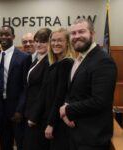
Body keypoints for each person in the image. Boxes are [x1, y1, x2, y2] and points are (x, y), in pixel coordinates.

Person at [59, 19, 117, 150]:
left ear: (92, 34)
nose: (76, 36)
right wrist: (66, 110)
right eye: (73, 33)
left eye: (81, 31)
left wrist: (67, 110)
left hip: (92, 139)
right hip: (76, 134)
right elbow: (73, 91)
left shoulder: (103, 60)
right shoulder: (80, 58)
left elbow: (100, 101)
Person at [36, 28, 75, 150]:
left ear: (67, 43)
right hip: (51, 116)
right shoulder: (55, 63)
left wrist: (51, 124)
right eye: (53, 40)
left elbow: (59, 97)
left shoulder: (66, 63)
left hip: (58, 122)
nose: (55, 43)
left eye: (60, 40)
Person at [0, 25, 31, 150]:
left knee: (21, 143)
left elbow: (26, 86)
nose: (4, 37)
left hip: (16, 110)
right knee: (5, 143)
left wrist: (20, 110)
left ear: (13, 37)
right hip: (0, 109)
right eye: (1, 34)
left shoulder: (23, 57)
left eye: (7, 34)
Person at [23, 28, 51, 150]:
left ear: (50, 42)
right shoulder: (37, 60)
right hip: (30, 111)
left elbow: (44, 92)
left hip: (39, 117)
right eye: (37, 41)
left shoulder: (49, 61)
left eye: (43, 41)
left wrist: (34, 116)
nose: (39, 44)